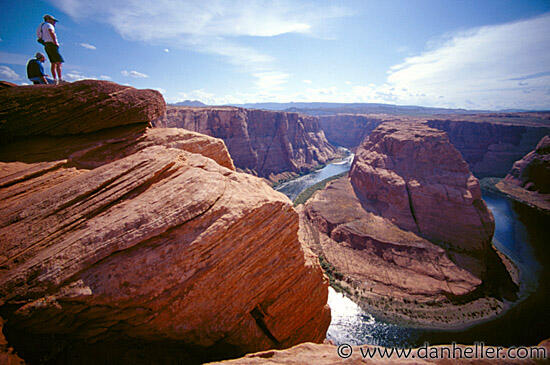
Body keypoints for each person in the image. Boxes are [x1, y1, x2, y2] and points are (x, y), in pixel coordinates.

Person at [36, 14, 64, 84]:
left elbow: (39, 37)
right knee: (59, 62)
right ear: (48, 20)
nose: (54, 23)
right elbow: (51, 32)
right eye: (53, 21)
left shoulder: (41, 26)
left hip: (46, 45)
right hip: (52, 44)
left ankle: (55, 80)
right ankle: (60, 79)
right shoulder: (49, 25)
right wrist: (55, 42)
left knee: (53, 63)